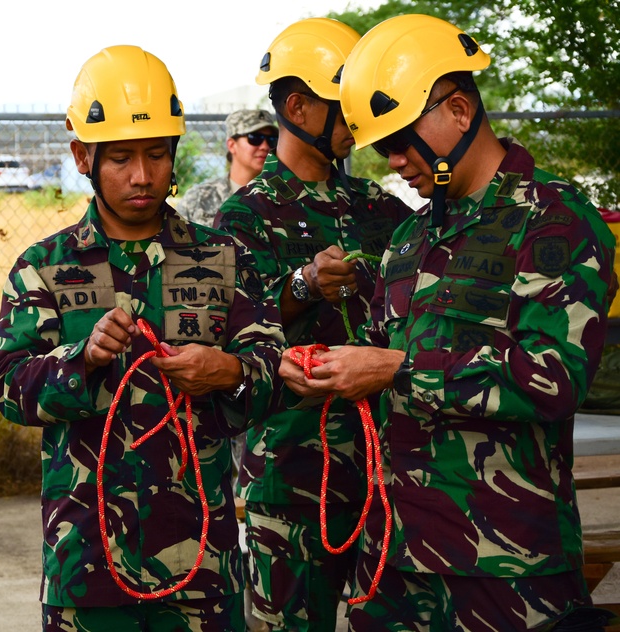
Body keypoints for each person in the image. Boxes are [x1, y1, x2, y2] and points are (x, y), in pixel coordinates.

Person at [279, 14, 616, 631]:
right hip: (391, 565)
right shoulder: (409, 238)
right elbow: (380, 356)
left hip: (506, 570)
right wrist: (327, 368)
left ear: (458, 111)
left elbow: (553, 377)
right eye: (382, 148)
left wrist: (397, 370)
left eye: (401, 140)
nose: (393, 160)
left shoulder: (554, 221)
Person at [0, 45, 284, 631]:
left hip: (201, 564)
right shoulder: (44, 266)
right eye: (120, 157)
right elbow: (7, 387)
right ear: (82, 156)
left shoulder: (222, 258)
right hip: (86, 563)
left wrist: (227, 371)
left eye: (156, 154)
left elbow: (275, 369)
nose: (142, 175)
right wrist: (83, 359)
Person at [215, 18, 413, 632]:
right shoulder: (243, 217)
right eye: (343, 103)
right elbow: (231, 332)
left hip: (388, 470)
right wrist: (300, 286)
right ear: (296, 106)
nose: (358, 117)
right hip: (295, 472)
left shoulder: (380, 209)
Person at [180, 108, 277, 227]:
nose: (265, 146)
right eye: (255, 138)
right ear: (232, 145)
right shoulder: (199, 198)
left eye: (272, 140)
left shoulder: (282, 198)